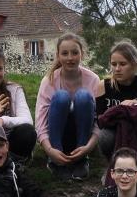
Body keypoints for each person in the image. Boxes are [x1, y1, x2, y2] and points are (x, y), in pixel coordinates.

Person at [35, 32, 102, 180]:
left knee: (83, 96)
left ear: (82, 54)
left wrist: (89, 147)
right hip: (57, 136)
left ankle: (81, 160)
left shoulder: (93, 79)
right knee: (61, 96)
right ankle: (56, 162)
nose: (70, 58)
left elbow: (100, 119)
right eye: (65, 53)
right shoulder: (49, 80)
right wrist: (49, 150)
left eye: (74, 53)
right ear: (58, 56)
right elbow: (40, 121)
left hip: (83, 136)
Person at [95, 40, 137, 168]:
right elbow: (100, 121)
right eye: (113, 64)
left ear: (135, 64)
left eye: (122, 64)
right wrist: (120, 109)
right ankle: (113, 167)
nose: (117, 69)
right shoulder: (103, 86)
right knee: (104, 137)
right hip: (114, 135)